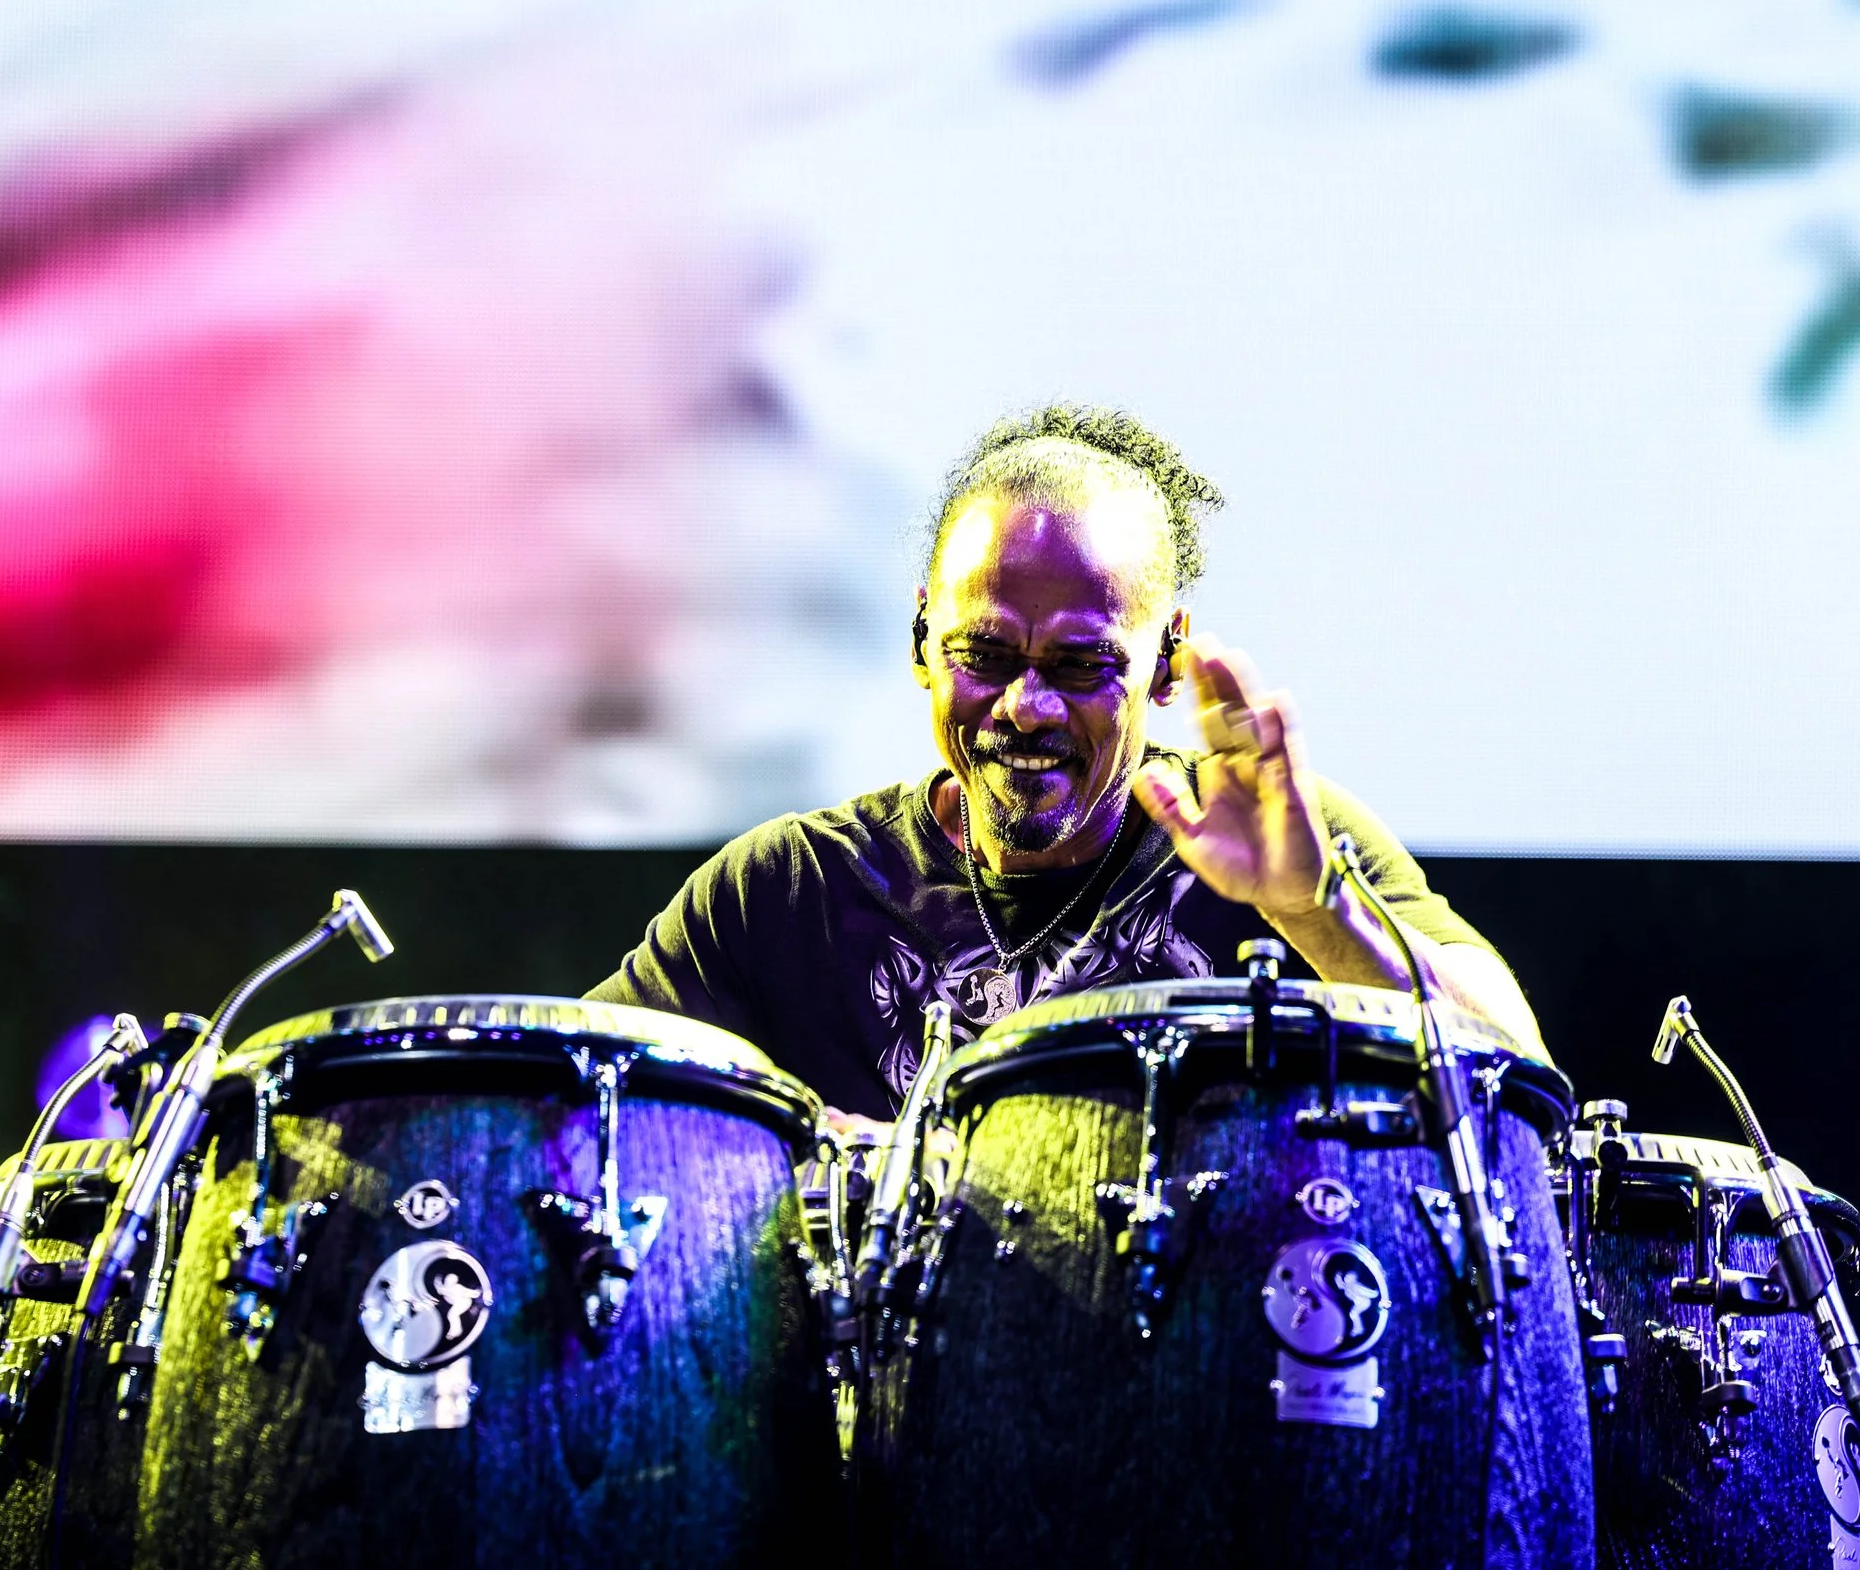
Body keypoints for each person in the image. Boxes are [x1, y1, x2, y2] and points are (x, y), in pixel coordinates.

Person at [588, 405, 1547, 1122]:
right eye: (984, 654)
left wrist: (1313, 909)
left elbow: (1519, 1079)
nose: (1026, 706)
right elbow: (564, 1111)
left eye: (1082, 665)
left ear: (1165, 662)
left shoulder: (1272, 843)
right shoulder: (787, 891)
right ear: (922, 639)